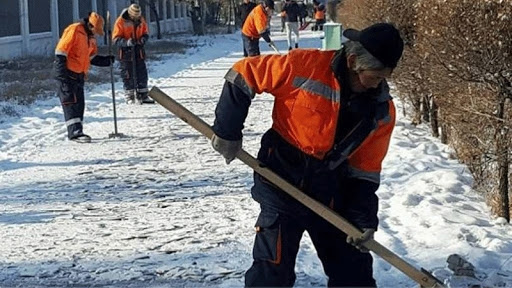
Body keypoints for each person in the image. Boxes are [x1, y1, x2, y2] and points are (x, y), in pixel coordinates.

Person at [210, 23, 404, 286]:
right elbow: (244, 73)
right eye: (374, 76)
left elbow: (365, 171)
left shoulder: (381, 111)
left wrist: (362, 218)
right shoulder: (306, 65)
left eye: (383, 78)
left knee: (353, 274)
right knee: (272, 271)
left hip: (332, 191)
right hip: (281, 176)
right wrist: (227, 130)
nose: (376, 85)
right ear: (352, 61)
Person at [54, 12, 114, 143]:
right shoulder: (75, 30)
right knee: (71, 103)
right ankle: (75, 133)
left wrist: (105, 61)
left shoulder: (90, 37)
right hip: (67, 73)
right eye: (95, 30)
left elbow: (90, 57)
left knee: (79, 104)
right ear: (90, 25)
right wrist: (61, 73)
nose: (96, 33)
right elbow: (61, 51)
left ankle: (78, 131)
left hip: (79, 75)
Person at [112, 4, 154, 104]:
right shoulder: (121, 21)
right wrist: (126, 42)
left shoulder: (141, 20)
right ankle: (129, 95)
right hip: (126, 51)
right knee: (127, 73)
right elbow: (115, 39)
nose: (136, 18)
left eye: (138, 16)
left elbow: (145, 32)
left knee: (142, 72)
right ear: (130, 14)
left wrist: (143, 38)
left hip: (138, 49)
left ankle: (143, 94)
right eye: (134, 16)